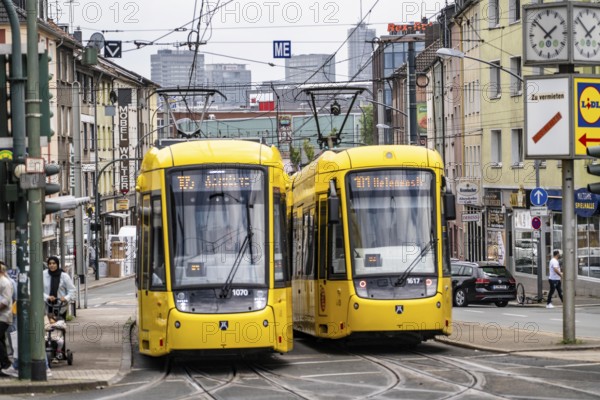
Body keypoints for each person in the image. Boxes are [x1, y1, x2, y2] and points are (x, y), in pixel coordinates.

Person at [0, 260, 16, 377]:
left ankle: (6, 364)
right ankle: (5, 364)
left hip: (4, 316)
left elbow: (5, 301)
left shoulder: (5, 282)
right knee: (1, 340)